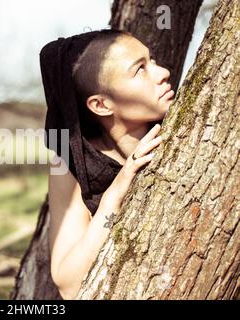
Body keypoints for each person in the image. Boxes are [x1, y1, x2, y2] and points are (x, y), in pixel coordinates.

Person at [41, 29, 175, 300]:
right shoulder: (73, 167)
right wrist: (113, 197)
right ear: (101, 105)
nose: (163, 73)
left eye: (153, 60)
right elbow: (69, 285)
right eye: (140, 70)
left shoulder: (191, 129)